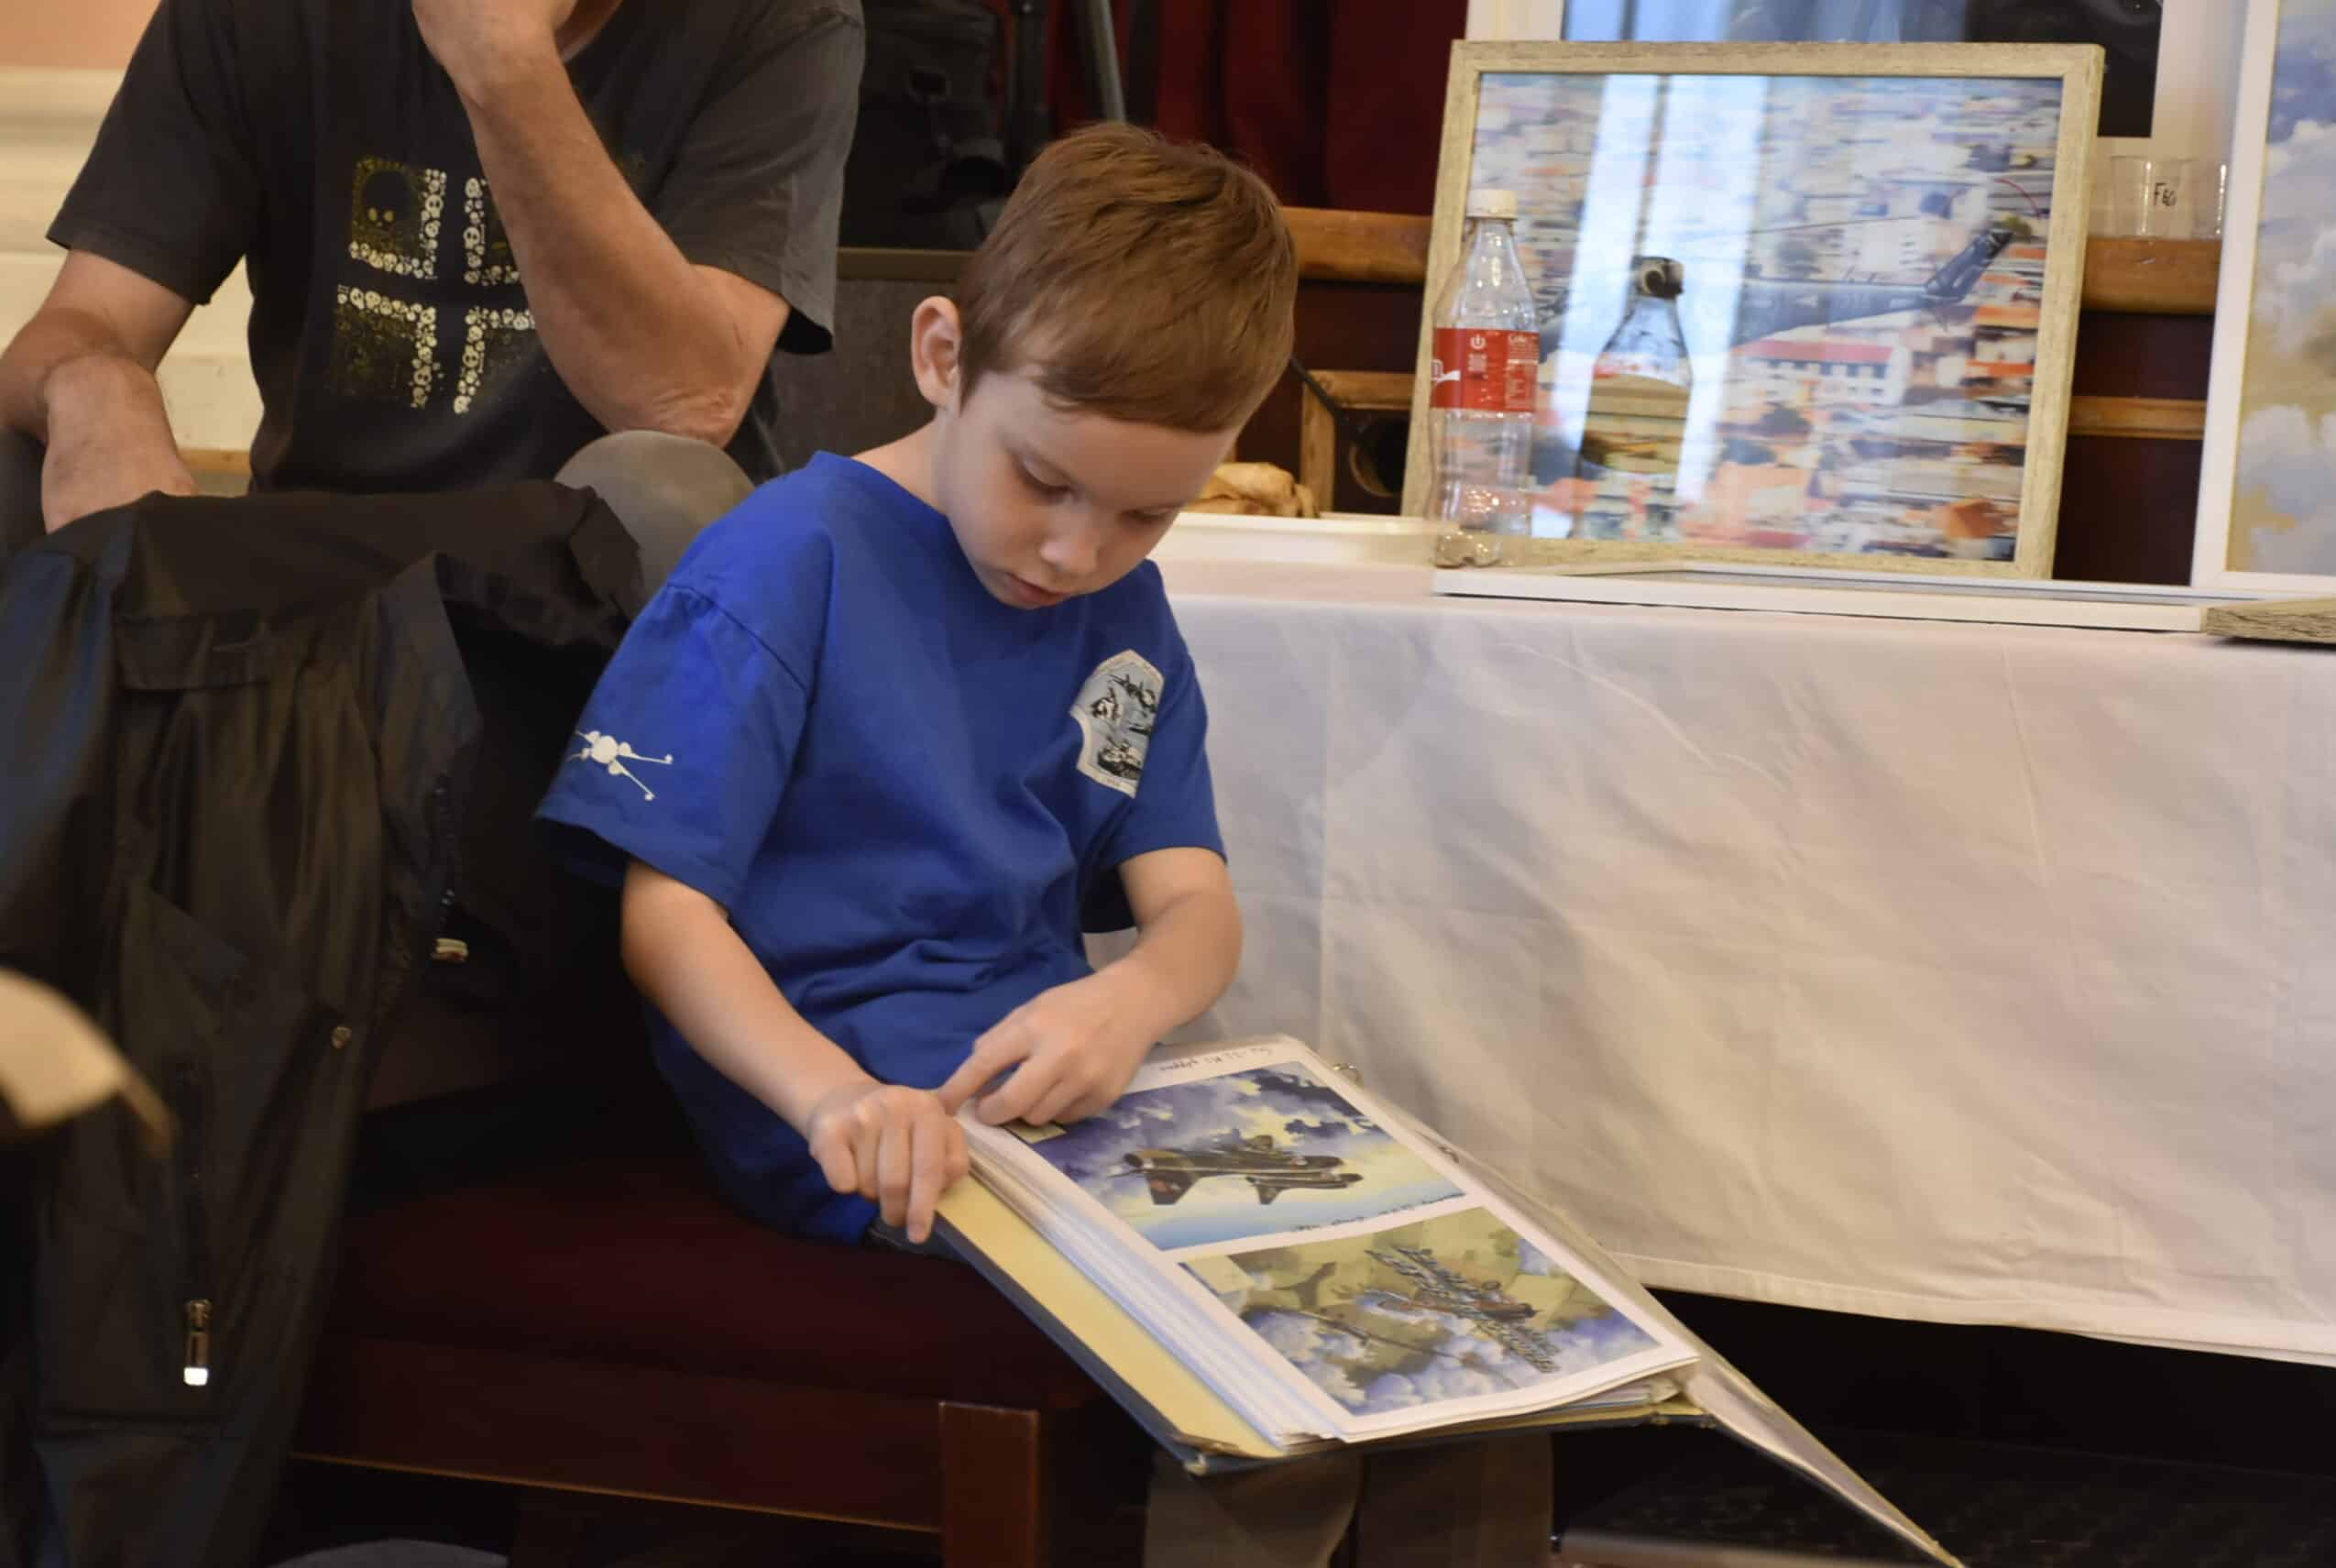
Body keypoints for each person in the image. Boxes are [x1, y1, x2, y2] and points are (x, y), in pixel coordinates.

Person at [534, 120, 1552, 1568]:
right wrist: (835, 1097)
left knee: (1482, 1327)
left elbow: (1194, 908)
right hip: (861, 1113)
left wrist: (1125, 1001)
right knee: (1275, 1345)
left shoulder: (1119, 611)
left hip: (1052, 1115)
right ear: (942, 356)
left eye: (1147, 512)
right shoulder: (790, 557)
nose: (1078, 551)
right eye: (1044, 481)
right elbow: (666, 914)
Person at [0, 0, 861, 578]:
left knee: (674, 496)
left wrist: (503, 64)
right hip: (324, 565)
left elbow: (685, 403)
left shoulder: (781, 20)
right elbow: (86, 317)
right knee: (28, 452)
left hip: (592, 585)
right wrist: (96, 383)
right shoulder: (259, 16)